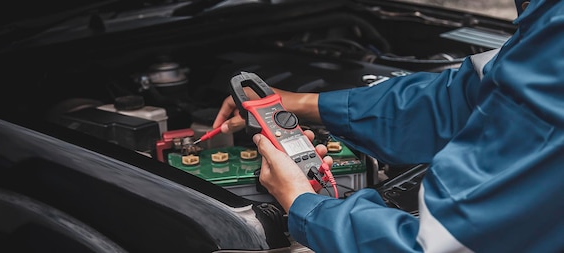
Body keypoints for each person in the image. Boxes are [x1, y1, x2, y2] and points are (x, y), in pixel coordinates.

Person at [213, 0, 564, 252]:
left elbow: (436, 247)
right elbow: (461, 99)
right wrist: (305, 104)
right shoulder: (547, 21)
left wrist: (303, 203)